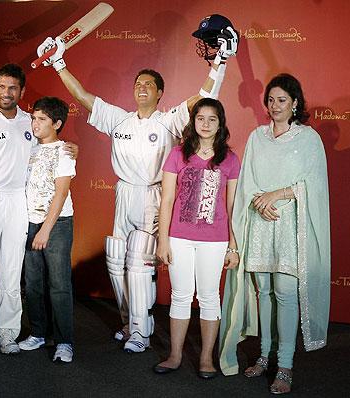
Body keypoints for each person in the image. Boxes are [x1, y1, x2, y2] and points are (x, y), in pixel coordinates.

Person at [35, 15, 238, 353]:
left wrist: (220, 63)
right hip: (124, 194)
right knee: (116, 259)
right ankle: (131, 322)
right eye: (138, 83)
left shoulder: (170, 119)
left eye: (149, 84)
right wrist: (58, 64)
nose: (141, 87)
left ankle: (141, 335)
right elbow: (84, 97)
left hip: (153, 196)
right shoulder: (120, 119)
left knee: (138, 262)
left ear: (159, 93)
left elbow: (204, 98)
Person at [0, 64, 77, 358]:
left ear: (21, 91)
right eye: (2, 86)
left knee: (10, 272)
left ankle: (6, 333)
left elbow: (51, 146)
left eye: (13, 88)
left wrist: (71, 148)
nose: (7, 93)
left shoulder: (29, 122)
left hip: (18, 201)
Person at [218, 74, 331, 394]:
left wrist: (276, 195)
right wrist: (259, 200)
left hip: (290, 225)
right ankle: (264, 356)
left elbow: (314, 185)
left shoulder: (308, 139)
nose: (275, 106)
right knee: (263, 291)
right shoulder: (257, 137)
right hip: (260, 222)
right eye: (271, 100)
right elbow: (248, 179)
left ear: (295, 103)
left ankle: (285, 366)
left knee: (284, 292)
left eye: (282, 100)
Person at [152, 98, 240, 379]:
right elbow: (166, 200)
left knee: (209, 297)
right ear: (193, 122)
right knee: (180, 296)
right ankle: (175, 355)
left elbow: (232, 206)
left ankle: (206, 358)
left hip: (215, 240)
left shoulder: (231, 159)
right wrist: (163, 240)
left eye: (212, 119)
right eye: (200, 118)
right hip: (179, 237)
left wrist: (233, 245)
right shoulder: (177, 154)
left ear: (220, 124)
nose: (205, 124)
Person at [17, 97, 76, 363]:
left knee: (59, 285)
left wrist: (45, 230)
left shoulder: (64, 151)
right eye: (34, 118)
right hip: (28, 223)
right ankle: (39, 333)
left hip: (57, 224)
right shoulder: (28, 147)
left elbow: (61, 193)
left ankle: (64, 342)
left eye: (42, 119)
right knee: (32, 284)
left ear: (57, 123)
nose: (35, 123)